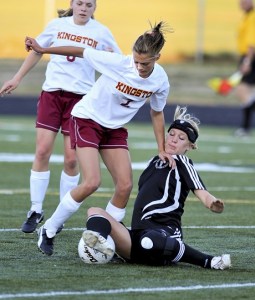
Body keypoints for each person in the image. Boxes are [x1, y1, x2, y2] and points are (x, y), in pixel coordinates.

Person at [25, 21, 176, 256]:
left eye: (144, 63)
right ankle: (49, 229)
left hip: (114, 128)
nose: (138, 67)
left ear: (158, 57)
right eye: (136, 61)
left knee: (125, 186)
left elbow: (156, 112)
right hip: (87, 120)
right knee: (91, 181)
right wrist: (44, 50)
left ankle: (104, 237)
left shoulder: (160, 80)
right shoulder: (118, 62)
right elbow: (80, 51)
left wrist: (162, 147)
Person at [0, 0, 121, 234]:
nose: (84, 8)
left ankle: (59, 216)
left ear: (95, 7)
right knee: (42, 150)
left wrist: (109, 57)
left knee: (71, 160)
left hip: (80, 101)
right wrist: (16, 78)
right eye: (80, 3)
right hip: (52, 95)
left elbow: (119, 62)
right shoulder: (56, 25)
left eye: (89, 4)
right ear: (72, 4)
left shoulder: (101, 32)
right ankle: (35, 210)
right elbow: (37, 50)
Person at [81, 106, 232, 270]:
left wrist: (212, 203)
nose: (174, 139)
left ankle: (210, 261)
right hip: (136, 237)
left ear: (190, 146)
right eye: (172, 134)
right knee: (94, 212)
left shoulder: (183, 163)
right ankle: (100, 244)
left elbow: (201, 191)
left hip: (164, 233)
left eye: (181, 138)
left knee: (150, 241)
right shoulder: (154, 161)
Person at [235, 0, 255, 136]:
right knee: (247, 93)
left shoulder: (252, 17)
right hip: (247, 56)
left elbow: (251, 43)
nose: (241, 3)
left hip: (250, 57)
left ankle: (245, 128)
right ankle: (245, 127)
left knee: (243, 90)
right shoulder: (247, 16)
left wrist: (247, 61)